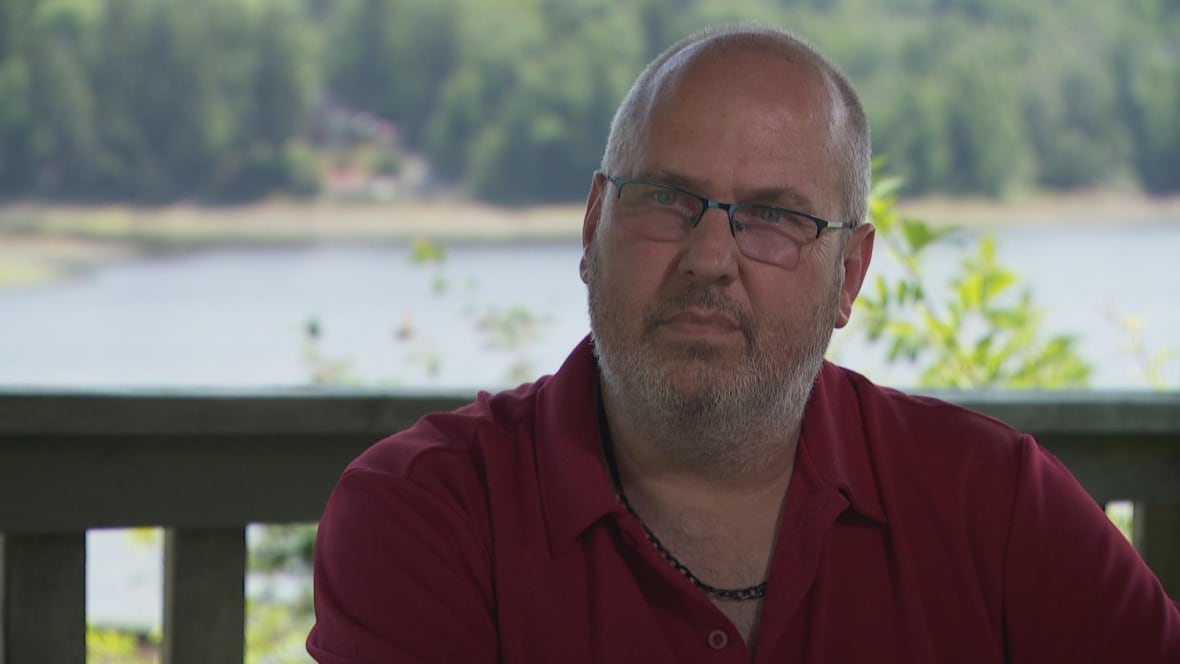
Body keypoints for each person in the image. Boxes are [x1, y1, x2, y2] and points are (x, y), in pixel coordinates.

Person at [306, 23, 1180, 663]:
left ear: (848, 275)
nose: (710, 259)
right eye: (665, 198)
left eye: (773, 216)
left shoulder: (994, 506)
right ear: (591, 228)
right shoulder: (429, 512)